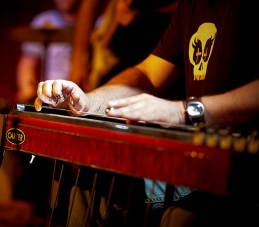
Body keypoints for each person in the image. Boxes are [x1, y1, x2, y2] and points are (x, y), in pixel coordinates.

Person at [34, 0, 259, 226]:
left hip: (243, 163)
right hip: (198, 157)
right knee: (88, 178)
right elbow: (148, 75)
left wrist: (182, 111)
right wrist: (88, 101)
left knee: (181, 218)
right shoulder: (191, 5)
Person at [15, 0, 82, 104]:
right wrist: (27, 90)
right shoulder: (44, 20)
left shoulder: (98, 23)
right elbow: (27, 64)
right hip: (50, 96)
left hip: (83, 95)